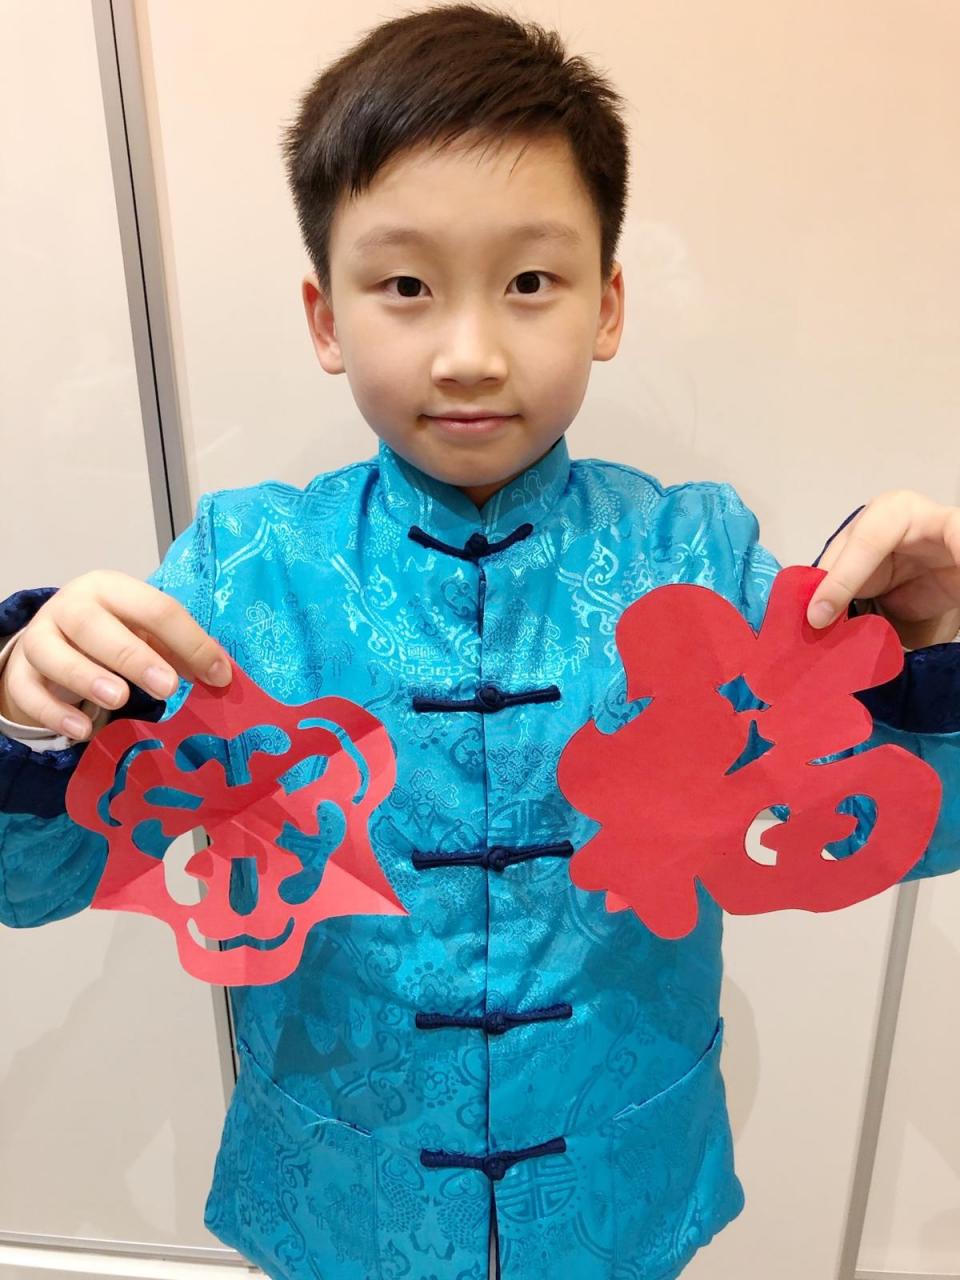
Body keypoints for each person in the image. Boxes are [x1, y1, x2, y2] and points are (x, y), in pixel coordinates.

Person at [1, 5, 958, 1278]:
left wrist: (927, 649)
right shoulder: (241, 570)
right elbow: (33, 881)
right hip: (345, 1193)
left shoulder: (698, 557)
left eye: (530, 283)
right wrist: (28, 709)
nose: (468, 352)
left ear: (607, 303)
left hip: (617, 1180)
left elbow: (904, 832)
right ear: (325, 316)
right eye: (405, 286)